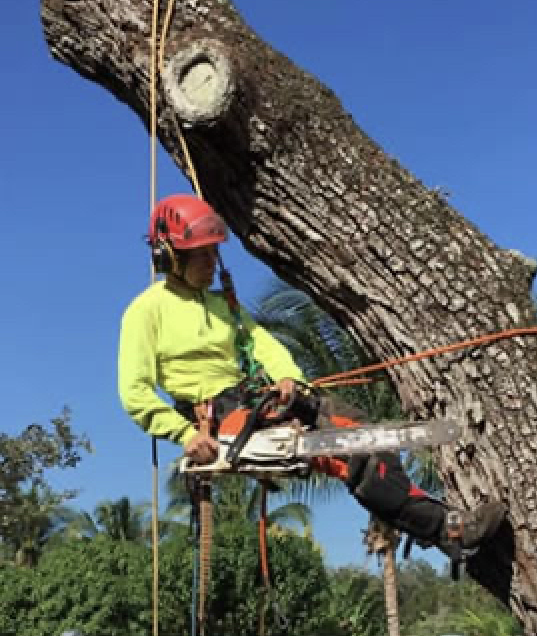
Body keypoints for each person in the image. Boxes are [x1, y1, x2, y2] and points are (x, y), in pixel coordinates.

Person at [118, 194, 506, 561]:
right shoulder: (146, 311)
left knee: (357, 427)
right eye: (199, 254)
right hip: (215, 417)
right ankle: (446, 529)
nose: (210, 261)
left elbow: (262, 344)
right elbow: (134, 392)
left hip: (252, 398)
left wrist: (288, 377)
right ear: (168, 256)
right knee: (344, 451)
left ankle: (433, 521)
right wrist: (186, 435)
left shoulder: (224, 304)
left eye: (213, 251)